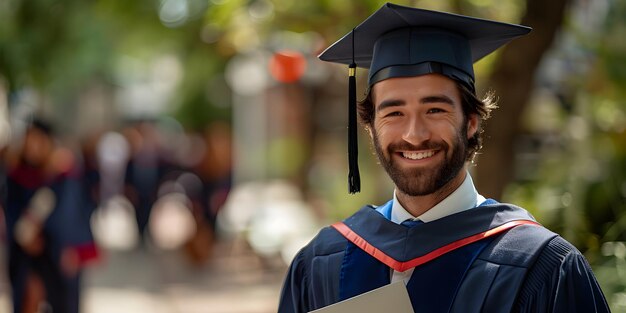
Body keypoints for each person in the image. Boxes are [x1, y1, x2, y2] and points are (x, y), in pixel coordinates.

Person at [277, 3, 609, 313]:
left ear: (471, 122)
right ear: (371, 128)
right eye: (394, 112)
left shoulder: (542, 265)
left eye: (435, 109)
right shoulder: (323, 260)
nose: (414, 134)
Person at [4, 119, 98, 313]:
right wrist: (23, 235)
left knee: (61, 301)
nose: (33, 148)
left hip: (56, 250)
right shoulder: (16, 174)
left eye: (39, 142)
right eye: (30, 142)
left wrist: (70, 247)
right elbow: (10, 208)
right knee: (27, 298)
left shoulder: (63, 175)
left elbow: (73, 214)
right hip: (25, 252)